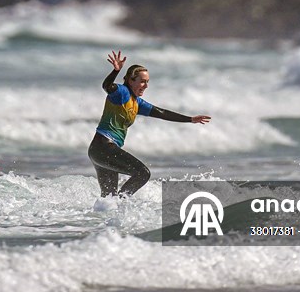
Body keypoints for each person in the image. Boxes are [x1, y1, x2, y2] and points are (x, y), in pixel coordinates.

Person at [88, 50, 211, 198]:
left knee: (108, 199)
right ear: (130, 80)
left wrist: (190, 119)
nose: (146, 85)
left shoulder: (137, 103)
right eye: (142, 81)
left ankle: (102, 216)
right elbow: (107, 86)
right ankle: (122, 204)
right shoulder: (122, 93)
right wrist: (115, 71)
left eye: (147, 82)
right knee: (142, 173)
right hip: (104, 147)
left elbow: (161, 113)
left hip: (99, 151)